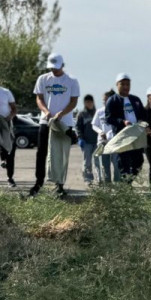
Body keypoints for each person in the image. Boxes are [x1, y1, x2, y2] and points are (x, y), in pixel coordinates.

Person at [32, 54, 80, 196]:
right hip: (46, 121)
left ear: (62, 65)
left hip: (63, 123)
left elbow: (73, 101)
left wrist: (62, 113)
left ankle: (59, 184)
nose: (54, 70)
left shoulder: (71, 81)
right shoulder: (43, 79)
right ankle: (39, 182)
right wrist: (46, 111)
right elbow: (39, 98)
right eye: (51, 68)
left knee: (61, 153)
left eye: (56, 68)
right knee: (42, 153)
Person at [104, 74, 144, 180]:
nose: (126, 86)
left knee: (139, 161)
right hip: (122, 136)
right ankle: (126, 186)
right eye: (123, 84)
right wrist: (122, 122)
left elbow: (143, 115)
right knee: (123, 162)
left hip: (136, 135)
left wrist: (142, 122)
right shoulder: (112, 100)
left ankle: (130, 181)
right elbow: (108, 118)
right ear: (117, 85)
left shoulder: (135, 100)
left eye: (128, 84)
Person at [93, 89, 118, 183]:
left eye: (106, 99)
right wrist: (100, 132)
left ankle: (117, 184)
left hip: (115, 142)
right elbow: (94, 125)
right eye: (103, 100)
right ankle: (107, 184)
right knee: (104, 164)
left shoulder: (118, 111)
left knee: (116, 164)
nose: (104, 101)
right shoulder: (100, 111)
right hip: (102, 142)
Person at [75, 95, 101, 185]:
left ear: (93, 102)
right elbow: (78, 127)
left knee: (98, 162)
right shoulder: (81, 114)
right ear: (84, 103)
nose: (89, 104)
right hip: (86, 142)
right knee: (87, 162)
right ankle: (88, 179)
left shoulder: (97, 113)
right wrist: (80, 138)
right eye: (87, 102)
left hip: (97, 141)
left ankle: (99, 179)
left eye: (90, 102)